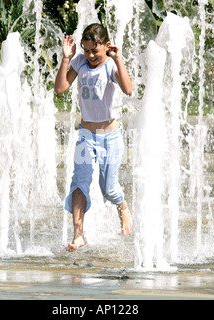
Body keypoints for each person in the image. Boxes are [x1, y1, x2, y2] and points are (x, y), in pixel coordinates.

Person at [54, 23, 133, 252]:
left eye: (94, 51)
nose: (90, 56)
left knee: (108, 188)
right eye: (86, 50)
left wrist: (118, 60)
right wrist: (67, 59)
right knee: (79, 183)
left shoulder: (109, 66)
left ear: (106, 47)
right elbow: (60, 88)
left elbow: (127, 89)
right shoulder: (79, 62)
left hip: (110, 136)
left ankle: (122, 205)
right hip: (86, 135)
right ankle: (79, 235)